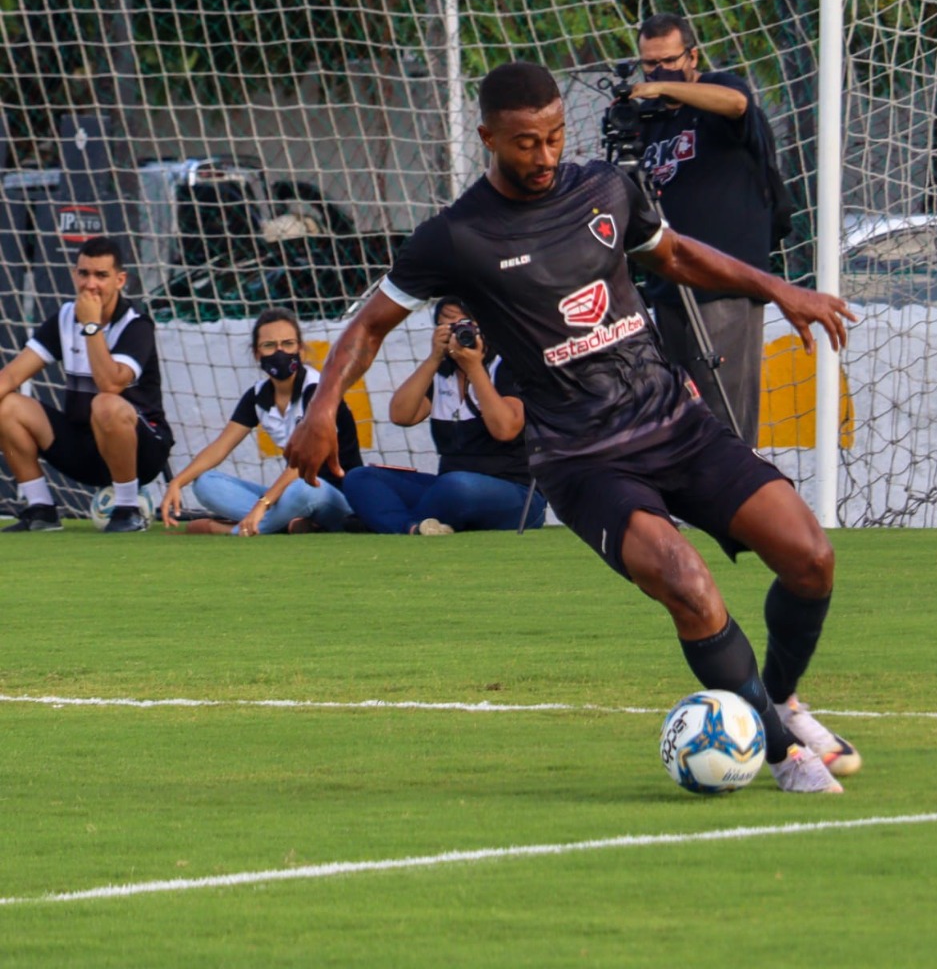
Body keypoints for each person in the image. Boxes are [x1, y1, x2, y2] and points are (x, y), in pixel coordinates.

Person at [286, 61, 860, 794]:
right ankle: (784, 755)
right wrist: (320, 409)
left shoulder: (606, 190)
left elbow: (675, 255)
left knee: (811, 557)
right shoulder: (456, 236)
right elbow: (369, 325)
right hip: (583, 457)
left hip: (673, 421)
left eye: (555, 136)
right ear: (489, 138)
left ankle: (775, 700)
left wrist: (777, 287)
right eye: (526, 142)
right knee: (687, 584)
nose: (545, 155)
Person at [627, 11, 780, 442]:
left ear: (692, 57)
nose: (658, 71)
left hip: (723, 284)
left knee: (723, 416)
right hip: (669, 282)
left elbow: (737, 105)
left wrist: (663, 87)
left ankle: (739, 484)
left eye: (669, 61)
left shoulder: (719, 89)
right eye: (649, 64)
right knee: (681, 414)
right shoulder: (649, 119)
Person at [0, 236, 174, 533]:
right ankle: (41, 509)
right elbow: (12, 376)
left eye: (101, 275)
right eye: (84, 274)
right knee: (6, 405)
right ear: (74, 275)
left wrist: (91, 326)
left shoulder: (136, 325)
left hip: (142, 453)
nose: (90, 284)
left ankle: (128, 509)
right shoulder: (65, 317)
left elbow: (110, 384)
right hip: (84, 450)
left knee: (105, 403)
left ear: (120, 280)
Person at [340, 296, 546, 536]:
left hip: (513, 493)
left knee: (457, 487)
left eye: (464, 324)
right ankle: (412, 527)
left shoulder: (508, 367)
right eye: (447, 325)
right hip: (447, 489)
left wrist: (474, 368)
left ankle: (386, 520)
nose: (458, 334)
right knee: (360, 478)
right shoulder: (441, 374)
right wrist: (434, 358)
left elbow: (506, 429)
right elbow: (401, 415)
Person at [159, 307, 361, 537]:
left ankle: (229, 529)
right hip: (289, 495)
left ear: (300, 349)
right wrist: (177, 483)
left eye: (288, 344)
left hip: (333, 495)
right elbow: (220, 447)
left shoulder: (317, 391)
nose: (279, 352)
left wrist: (262, 505)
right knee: (205, 483)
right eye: (269, 345)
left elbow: (301, 467)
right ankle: (287, 523)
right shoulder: (257, 395)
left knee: (302, 489)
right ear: (257, 353)